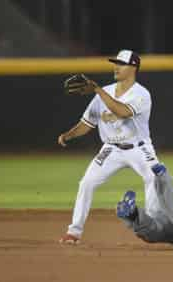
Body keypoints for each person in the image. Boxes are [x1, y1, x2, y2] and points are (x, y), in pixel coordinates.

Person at [59, 50, 160, 244]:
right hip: (111, 149)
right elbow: (87, 123)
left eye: (121, 64)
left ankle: (152, 226)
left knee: (154, 177)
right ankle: (74, 232)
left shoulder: (141, 94)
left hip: (139, 148)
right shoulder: (103, 92)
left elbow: (121, 111)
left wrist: (97, 89)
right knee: (86, 183)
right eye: (115, 63)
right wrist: (69, 135)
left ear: (133, 68)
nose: (116, 67)